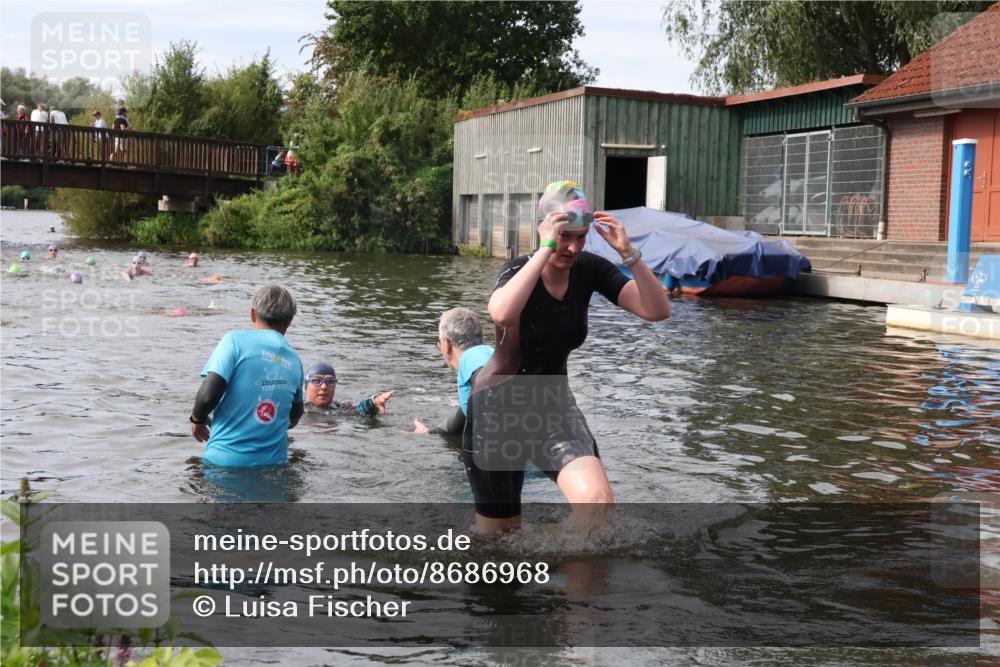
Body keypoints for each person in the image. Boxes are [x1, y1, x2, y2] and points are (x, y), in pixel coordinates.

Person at [463, 180, 671, 533]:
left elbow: (657, 310)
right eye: (564, 235)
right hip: (498, 412)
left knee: (597, 504)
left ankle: (575, 580)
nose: (573, 247)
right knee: (498, 542)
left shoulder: (589, 270)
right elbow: (501, 313)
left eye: (581, 236)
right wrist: (545, 247)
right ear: (545, 229)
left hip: (553, 405)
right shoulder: (516, 271)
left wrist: (628, 254)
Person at [190, 285, 304, 468]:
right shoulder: (295, 360)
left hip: (224, 464)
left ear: (252, 314)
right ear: (290, 321)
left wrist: (197, 419)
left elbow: (209, 393)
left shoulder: (234, 341)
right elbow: (295, 415)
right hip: (274, 467)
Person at [413, 307, 493, 436]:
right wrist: (426, 432)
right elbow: (460, 420)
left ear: (446, 343)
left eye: (439, 343)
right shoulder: (489, 353)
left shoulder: (469, 360)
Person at [302, 362, 395, 417]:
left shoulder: (341, 408)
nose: (324, 386)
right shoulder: (295, 409)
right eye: (317, 381)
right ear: (306, 386)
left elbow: (360, 409)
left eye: (330, 381)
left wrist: (374, 402)